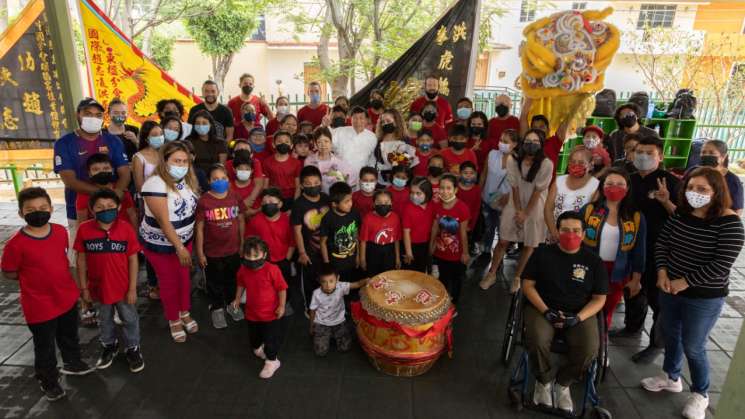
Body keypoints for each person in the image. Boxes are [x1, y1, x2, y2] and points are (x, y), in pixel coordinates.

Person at [642, 167, 744, 419]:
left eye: (702, 189)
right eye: (690, 188)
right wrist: (663, 273)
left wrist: (684, 282)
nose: (694, 193)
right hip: (670, 289)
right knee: (671, 334)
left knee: (694, 345)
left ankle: (701, 393)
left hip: (704, 297)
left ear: (717, 192)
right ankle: (671, 376)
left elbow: (720, 264)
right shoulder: (682, 215)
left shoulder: (730, 224)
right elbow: (663, 243)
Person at [1, 187, 95, 401]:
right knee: (44, 346)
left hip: (66, 297)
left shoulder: (60, 231)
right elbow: (9, 272)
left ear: (52, 209)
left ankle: (73, 361)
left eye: (43, 208)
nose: (38, 212)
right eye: (31, 209)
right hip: (39, 305)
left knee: (69, 335)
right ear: (20, 214)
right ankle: (48, 380)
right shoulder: (15, 244)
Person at [521, 211, 608, 414]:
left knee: (589, 348)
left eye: (576, 231)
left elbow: (599, 299)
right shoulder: (542, 254)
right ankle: (544, 381)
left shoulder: (594, 261)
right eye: (565, 230)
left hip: (579, 312)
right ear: (557, 231)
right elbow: (527, 285)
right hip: (543, 307)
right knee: (536, 339)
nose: (571, 235)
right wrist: (546, 311)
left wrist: (577, 318)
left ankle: (563, 383)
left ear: (584, 234)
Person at [622, 136, 680, 364]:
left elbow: (682, 217)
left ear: (660, 156)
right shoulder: (630, 179)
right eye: (639, 152)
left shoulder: (670, 182)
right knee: (634, 289)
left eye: (649, 153)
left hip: (660, 248)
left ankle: (657, 344)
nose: (643, 156)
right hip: (631, 245)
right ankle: (632, 327)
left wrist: (666, 201)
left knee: (659, 299)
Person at [74, 188, 143, 373]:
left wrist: (132, 288)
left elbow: (132, 259)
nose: (106, 210)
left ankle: (132, 348)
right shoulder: (84, 230)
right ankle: (109, 345)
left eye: (110, 206)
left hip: (122, 287)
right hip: (98, 287)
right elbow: (80, 260)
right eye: (100, 207)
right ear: (92, 209)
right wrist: (83, 288)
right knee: (104, 319)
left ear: (119, 207)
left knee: (129, 318)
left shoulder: (126, 229)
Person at [53, 98, 131, 252]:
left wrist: (119, 192)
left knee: (114, 254)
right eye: (88, 114)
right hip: (78, 208)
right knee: (81, 253)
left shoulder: (113, 140)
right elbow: (69, 180)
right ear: (78, 115)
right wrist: (105, 195)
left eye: (98, 115)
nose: (93, 118)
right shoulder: (64, 143)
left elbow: (124, 173)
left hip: (111, 208)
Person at [140, 141, 199, 343]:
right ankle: (173, 318)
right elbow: (164, 222)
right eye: (176, 161)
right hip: (163, 244)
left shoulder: (187, 180)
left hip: (185, 238)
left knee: (184, 277)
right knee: (169, 281)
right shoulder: (154, 183)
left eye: (184, 161)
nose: (181, 165)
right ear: (164, 161)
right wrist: (180, 248)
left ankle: (184, 311)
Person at [481, 129, 553, 292]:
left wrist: (526, 213)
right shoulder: (514, 160)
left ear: (541, 145)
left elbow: (538, 190)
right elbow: (514, 186)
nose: (531, 145)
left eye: (536, 142)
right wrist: (519, 210)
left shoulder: (546, 164)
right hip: (516, 200)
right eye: (528, 141)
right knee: (504, 239)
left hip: (535, 204)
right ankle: (492, 273)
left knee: (529, 244)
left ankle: (517, 276)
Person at [580, 168, 646, 328]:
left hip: (617, 272)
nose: (614, 187)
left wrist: (636, 279)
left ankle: (601, 342)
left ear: (627, 188)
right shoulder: (590, 210)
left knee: (606, 311)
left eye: (620, 184)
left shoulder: (635, 216)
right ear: (602, 186)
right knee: (585, 307)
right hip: (589, 268)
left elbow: (639, 250)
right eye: (609, 183)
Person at [195, 164, 246, 329]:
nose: (220, 181)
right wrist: (200, 253)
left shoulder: (235, 197)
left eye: (223, 178)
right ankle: (217, 309)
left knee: (232, 280)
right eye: (215, 179)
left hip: (233, 249)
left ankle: (233, 305)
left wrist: (242, 243)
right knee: (214, 282)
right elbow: (200, 228)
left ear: (229, 180)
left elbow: (241, 221)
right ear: (209, 181)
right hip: (212, 252)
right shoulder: (204, 201)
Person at [230, 237, 287, 379]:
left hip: (270, 315)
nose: (252, 259)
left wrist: (281, 305)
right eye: (248, 255)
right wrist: (237, 298)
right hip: (252, 314)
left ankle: (272, 361)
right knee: (254, 341)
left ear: (265, 255)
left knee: (270, 339)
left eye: (256, 255)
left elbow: (282, 288)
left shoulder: (272, 270)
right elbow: (241, 284)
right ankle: (259, 349)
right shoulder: (243, 270)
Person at [245, 187, 296, 313]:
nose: (268, 205)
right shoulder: (255, 221)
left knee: (284, 284)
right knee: (264, 286)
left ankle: (285, 303)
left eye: (272, 202)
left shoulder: (287, 220)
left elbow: (292, 242)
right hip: (263, 262)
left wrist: (287, 259)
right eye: (264, 203)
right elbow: (250, 241)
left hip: (283, 260)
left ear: (280, 204)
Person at [292, 165, 330, 310]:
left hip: (326, 250)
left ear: (321, 182)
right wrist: (302, 252)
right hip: (309, 253)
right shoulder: (299, 205)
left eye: (316, 183)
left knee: (326, 280)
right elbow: (297, 231)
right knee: (309, 282)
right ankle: (310, 307)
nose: (313, 186)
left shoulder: (326, 199)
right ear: (302, 185)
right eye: (308, 184)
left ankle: (326, 306)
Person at [309, 263, 367, 356]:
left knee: (345, 347)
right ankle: (328, 335)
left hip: (339, 322)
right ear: (319, 281)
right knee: (320, 352)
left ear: (337, 279)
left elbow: (357, 284)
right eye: (324, 281)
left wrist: (367, 280)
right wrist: (312, 326)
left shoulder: (341, 286)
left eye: (331, 281)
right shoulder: (316, 294)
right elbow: (312, 311)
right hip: (322, 323)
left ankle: (335, 334)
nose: (328, 285)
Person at [430, 174, 470, 304]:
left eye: (448, 188)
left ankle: (454, 304)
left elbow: (463, 233)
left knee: (456, 280)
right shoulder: (437, 206)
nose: (444, 191)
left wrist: (465, 253)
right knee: (443, 278)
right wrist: (432, 245)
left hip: (456, 255)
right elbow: (435, 228)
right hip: (441, 252)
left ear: (455, 190)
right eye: (441, 188)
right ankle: (442, 303)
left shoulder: (462, 208)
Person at [544, 147, 599, 241]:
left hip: (579, 239)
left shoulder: (595, 185)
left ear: (590, 165)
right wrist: (554, 232)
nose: (576, 165)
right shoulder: (559, 181)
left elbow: (593, 217)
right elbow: (548, 209)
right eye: (573, 161)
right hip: (555, 236)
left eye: (581, 162)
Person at [480, 128, 518, 255]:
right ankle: (485, 250)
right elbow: (484, 174)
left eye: (506, 141)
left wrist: (509, 197)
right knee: (488, 227)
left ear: (514, 144)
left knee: (502, 231)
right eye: (501, 140)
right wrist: (478, 192)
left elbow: (518, 186)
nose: (501, 143)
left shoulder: (517, 162)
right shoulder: (492, 154)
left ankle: (499, 255)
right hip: (487, 198)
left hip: (506, 203)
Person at [75, 153, 137, 227]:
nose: (102, 172)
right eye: (96, 169)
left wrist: (135, 236)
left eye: (106, 168)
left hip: (124, 233)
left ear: (112, 170)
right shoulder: (83, 195)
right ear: (89, 173)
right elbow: (82, 222)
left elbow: (132, 215)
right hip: (97, 235)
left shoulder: (121, 189)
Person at [320, 182, 361, 284]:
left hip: (352, 261)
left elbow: (356, 236)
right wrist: (326, 264)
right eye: (346, 202)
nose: (350, 203)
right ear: (334, 204)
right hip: (335, 264)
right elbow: (322, 242)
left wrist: (358, 256)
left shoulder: (354, 214)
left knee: (351, 287)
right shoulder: (328, 219)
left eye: (350, 200)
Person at [369, 109, 419, 185]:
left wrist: (397, 159)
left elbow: (410, 161)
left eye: (388, 121)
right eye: (383, 122)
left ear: (396, 122)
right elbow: (375, 160)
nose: (385, 124)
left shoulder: (405, 140)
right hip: (381, 181)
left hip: (400, 181)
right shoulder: (379, 141)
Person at [696, 139, 743, 215]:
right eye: (703, 152)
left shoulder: (732, 180)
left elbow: (737, 211)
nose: (706, 155)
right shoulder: (694, 172)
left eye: (711, 153)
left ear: (723, 157)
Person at [360, 189, 401, 277]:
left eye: (386, 202)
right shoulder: (368, 218)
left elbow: (396, 240)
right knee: (373, 277)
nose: (383, 205)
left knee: (388, 276)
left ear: (391, 203)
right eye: (379, 202)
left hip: (389, 252)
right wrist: (362, 259)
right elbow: (363, 241)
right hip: (373, 251)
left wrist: (397, 258)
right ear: (374, 204)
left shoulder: (395, 217)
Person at [331, 106, 377, 180]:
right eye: (355, 118)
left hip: (361, 178)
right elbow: (325, 139)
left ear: (366, 120)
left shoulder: (372, 137)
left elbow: (372, 160)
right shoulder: (339, 132)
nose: (358, 121)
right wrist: (324, 125)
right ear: (350, 119)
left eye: (361, 118)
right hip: (339, 176)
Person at [305, 127, 356, 193]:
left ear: (331, 143)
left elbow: (350, 181)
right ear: (316, 144)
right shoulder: (309, 161)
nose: (323, 145)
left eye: (326, 141)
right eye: (319, 142)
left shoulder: (340, 160)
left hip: (336, 199)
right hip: (316, 199)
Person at [262, 130, 302, 208]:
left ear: (291, 145)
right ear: (273, 144)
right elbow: (265, 185)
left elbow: (298, 187)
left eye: (287, 142)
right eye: (279, 141)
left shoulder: (296, 163)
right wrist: (266, 200)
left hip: (290, 198)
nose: (283, 144)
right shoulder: (267, 162)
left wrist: (295, 205)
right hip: (273, 198)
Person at [402, 177, 435, 273]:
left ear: (427, 193)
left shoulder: (431, 205)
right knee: (410, 272)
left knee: (421, 270)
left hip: (425, 243)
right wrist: (409, 252)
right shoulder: (408, 208)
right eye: (412, 192)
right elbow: (406, 232)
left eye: (418, 193)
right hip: (411, 245)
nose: (414, 196)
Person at [187, 110, 228, 174]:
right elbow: (187, 165)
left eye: (204, 123)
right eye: (197, 123)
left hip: (214, 177)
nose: (200, 126)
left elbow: (221, 167)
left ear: (210, 124)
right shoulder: (188, 142)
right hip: (194, 177)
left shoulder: (220, 143)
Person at [457, 161, 482, 255]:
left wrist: (470, 226)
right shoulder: (455, 188)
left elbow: (476, 210)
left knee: (464, 245)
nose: (468, 175)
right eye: (465, 173)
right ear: (460, 174)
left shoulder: (477, 189)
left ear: (475, 174)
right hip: (454, 223)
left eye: (471, 173)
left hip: (467, 224)